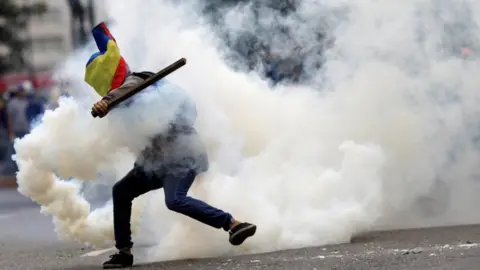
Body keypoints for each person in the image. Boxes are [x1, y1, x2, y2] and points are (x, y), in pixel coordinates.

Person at [85, 22, 257, 269]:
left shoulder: (137, 84)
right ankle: (124, 253)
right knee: (121, 191)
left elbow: (127, 90)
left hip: (182, 156)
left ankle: (233, 224)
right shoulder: (127, 98)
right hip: (155, 162)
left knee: (174, 200)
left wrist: (106, 102)